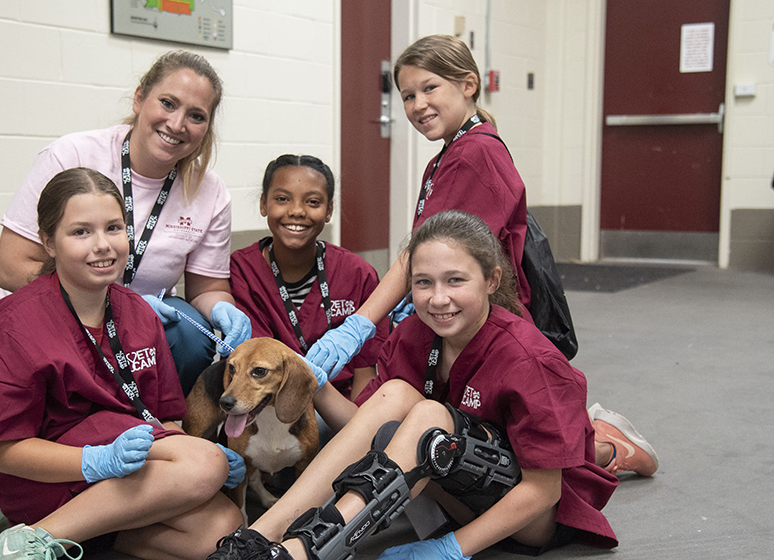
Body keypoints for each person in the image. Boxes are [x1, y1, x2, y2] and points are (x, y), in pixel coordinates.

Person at [206, 210, 659, 560]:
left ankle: (303, 550)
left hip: (532, 517)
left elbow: (544, 490)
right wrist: (311, 382)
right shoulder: (415, 335)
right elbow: (364, 429)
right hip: (452, 479)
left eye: (455, 280)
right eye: (422, 283)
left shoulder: (531, 360)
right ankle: (259, 536)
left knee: (427, 414)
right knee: (401, 397)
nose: (437, 299)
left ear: (492, 280)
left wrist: (453, 548)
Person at [0, 168, 244, 560]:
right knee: (205, 464)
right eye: (80, 232)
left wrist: (182, 454)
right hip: (46, 474)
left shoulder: (139, 314)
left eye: (113, 228)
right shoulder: (12, 325)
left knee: (221, 529)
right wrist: (97, 462)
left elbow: (163, 418)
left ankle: (80, 530)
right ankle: (23, 544)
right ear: (48, 241)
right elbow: (6, 453)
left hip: (123, 476)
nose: (103, 246)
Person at [0, 50, 250, 396]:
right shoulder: (72, 155)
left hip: (148, 314)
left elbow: (207, 288)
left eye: (196, 116)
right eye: (168, 103)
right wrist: (113, 303)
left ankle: (158, 422)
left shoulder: (211, 191)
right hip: (58, 305)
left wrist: (223, 310)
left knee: (190, 336)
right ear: (139, 97)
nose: (177, 125)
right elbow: (11, 267)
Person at [305, 34, 530, 383]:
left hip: (483, 327)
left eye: (430, 88)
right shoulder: (447, 156)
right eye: (408, 96)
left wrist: (360, 323)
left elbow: (423, 252)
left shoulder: (475, 154)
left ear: (469, 85)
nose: (418, 104)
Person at [229, 155, 388, 430]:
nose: (297, 211)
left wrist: (356, 430)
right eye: (282, 199)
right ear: (263, 204)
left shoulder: (358, 273)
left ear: (329, 211)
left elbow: (366, 374)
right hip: (269, 411)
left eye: (313, 202)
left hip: (337, 408)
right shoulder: (242, 270)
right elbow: (253, 367)